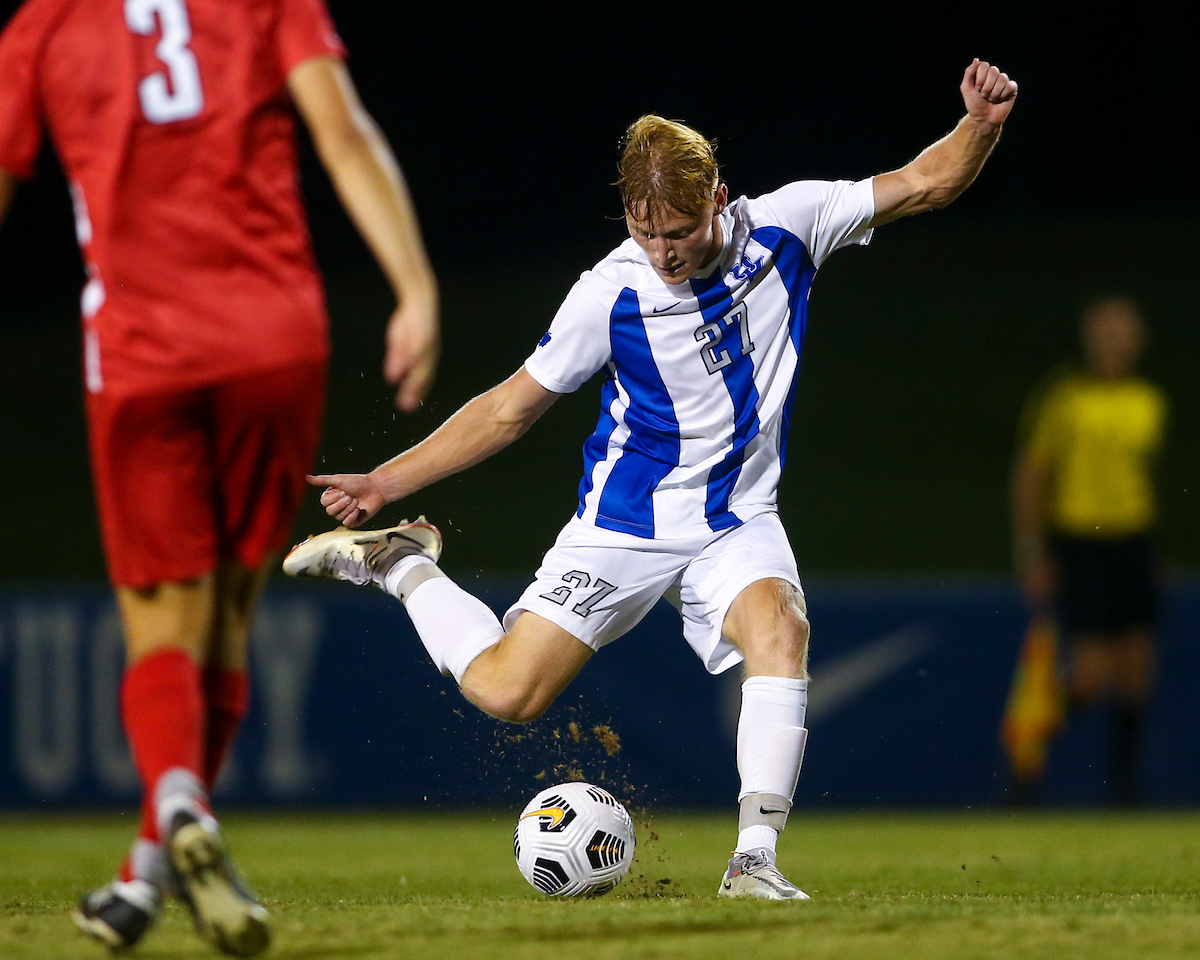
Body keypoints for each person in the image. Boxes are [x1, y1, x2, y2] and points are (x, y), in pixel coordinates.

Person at [285, 59, 1017, 899]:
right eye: (646, 232)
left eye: (680, 230)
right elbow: (508, 410)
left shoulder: (788, 226)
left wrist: (981, 125)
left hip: (737, 517)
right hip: (625, 523)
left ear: (720, 198)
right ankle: (399, 564)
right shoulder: (609, 293)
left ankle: (754, 862)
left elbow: (925, 183)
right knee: (507, 692)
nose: (664, 251)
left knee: (780, 629)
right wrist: (385, 481)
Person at [0, 0, 438, 952]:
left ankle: (178, 806)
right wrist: (413, 285)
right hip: (273, 339)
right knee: (229, 620)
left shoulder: (45, 25)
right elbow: (344, 133)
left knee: (163, 623)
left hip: (141, 354)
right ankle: (145, 873)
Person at [1011, 297, 1166, 804]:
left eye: (1124, 331)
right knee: (1093, 672)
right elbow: (1033, 475)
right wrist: (1033, 550)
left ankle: (1126, 791)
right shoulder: (1066, 398)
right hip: (1082, 541)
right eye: (1106, 331)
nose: (1116, 341)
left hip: (1134, 541)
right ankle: (1028, 739)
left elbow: (1144, 480)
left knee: (1138, 666)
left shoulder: (1148, 401)